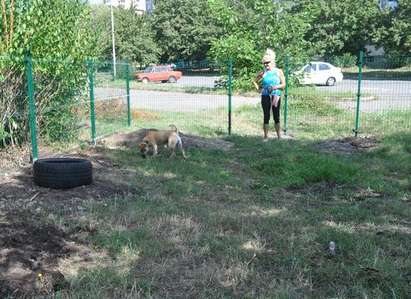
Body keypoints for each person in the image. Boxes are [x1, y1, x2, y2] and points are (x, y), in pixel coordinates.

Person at [253, 49, 286, 140]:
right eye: (264, 63)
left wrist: (275, 87)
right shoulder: (263, 73)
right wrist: (259, 89)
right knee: (266, 115)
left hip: (276, 95)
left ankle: (279, 137)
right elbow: (254, 81)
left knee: (276, 115)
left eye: (268, 62)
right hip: (265, 95)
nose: (266, 64)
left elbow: (284, 85)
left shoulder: (278, 71)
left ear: (272, 62)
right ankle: (266, 137)